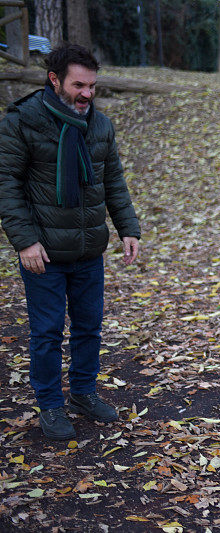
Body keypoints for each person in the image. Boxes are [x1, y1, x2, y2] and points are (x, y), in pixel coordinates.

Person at [0, 44, 141, 440]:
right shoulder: (22, 122)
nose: (87, 94)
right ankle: (50, 405)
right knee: (46, 333)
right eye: (78, 85)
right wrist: (25, 241)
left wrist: (128, 228)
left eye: (92, 86)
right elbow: (6, 185)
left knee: (88, 328)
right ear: (54, 80)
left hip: (88, 249)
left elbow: (112, 180)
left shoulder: (99, 125)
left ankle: (82, 393)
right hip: (42, 252)